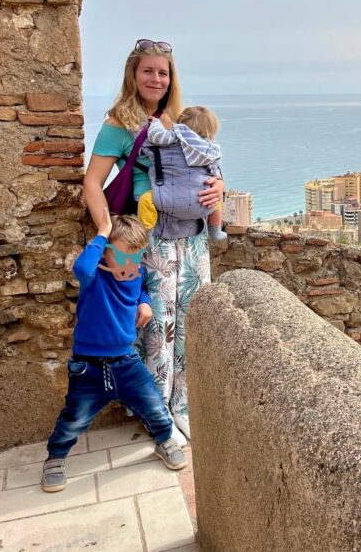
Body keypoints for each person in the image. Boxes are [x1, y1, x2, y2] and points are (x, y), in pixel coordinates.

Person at [82, 39, 224, 445]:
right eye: (148, 71)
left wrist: (220, 188)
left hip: (193, 239)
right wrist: (107, 232)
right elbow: (92, 183)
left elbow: (209, 167)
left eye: (163, 72)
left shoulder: (179, 120)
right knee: (157, 328)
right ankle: (156, 412)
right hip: (153, 239)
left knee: (191, 323)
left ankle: (183, 405)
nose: (156, 79)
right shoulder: (119, 124)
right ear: (134, 74)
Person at [41, 213, 187, 493]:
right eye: (122, 256)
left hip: (126, 361)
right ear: (106, 252)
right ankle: (56, 458)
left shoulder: (135, 273)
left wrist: (144, 302)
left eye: (136, 257)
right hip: (88, 365)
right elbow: (81, 268)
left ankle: (164, 440)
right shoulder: (94, 275)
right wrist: (104, 230)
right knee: (74, 417)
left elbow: (140, 288)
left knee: (153, 404)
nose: (130, 264)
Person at [137, 105, 227, 242]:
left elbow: (156, 135)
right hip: (202, 202)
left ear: (181, 123)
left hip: (169, 201)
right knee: (216, 199)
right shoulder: (208, 149)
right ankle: (215, 230)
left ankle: (146, 236)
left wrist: (155, 122)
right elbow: (214, 171)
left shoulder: (173, 138)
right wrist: (220, 182)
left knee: (146, 200)